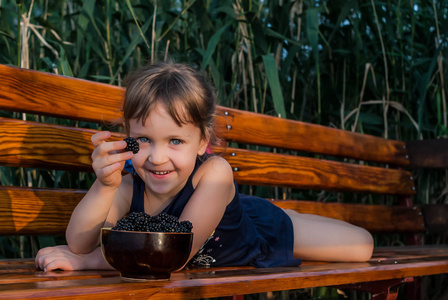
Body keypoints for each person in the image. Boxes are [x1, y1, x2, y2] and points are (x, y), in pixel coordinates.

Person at [35, 61, 374, 271]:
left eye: (175, 141)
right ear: (128, 137)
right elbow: (79, 241)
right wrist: (104, 186)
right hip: (225, 222)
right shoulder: (126, 186)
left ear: (202, 141)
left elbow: (173, 255)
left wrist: (88, 263)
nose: (156, 157)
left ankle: (284, 216)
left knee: (361, 247)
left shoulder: (214, 174)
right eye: (145, 140)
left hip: (259, 234)